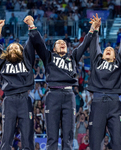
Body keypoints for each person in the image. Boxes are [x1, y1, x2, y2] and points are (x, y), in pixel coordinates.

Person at [23, 15, 100, 149]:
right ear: (54, 49)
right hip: (53, 95)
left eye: (63, 42)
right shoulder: (48, 57)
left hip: (69, 96)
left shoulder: (73, 58)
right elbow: (39, 43)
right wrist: (32, 25)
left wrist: (93, 29)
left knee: (69, 136)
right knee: (52, 136)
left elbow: (84, 44)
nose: (62, 43)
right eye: (59, 43)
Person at [87, 13, 121, 150]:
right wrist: (95, 29)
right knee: (95, 143)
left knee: (118, 142)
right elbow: (94, 47)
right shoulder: (97, 62)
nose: (108, 50)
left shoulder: (119, 63)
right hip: (98, 102)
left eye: (111, 50)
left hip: (114, 104)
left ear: (114, 56)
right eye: (106, 49)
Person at [0, 19, 36, 150]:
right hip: (9, 100)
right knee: (7, 137)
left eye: (16, 47)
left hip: (24, 99)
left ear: (21, 51)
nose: (13, 48)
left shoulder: (27, 60)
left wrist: (30, 25)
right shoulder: (3, 62)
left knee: (27, 137)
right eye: (10, 47)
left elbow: (31, 42)